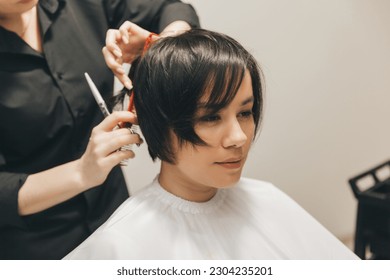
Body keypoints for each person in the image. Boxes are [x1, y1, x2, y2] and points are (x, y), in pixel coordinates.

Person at [64, 29, 358, 259]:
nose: (239, 138)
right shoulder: (121, 246)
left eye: (244, 112)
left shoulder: (266, 198)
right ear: (156, 121)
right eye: (211, 117)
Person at [0, 0, 199, 260]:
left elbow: (172, 9)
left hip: (115, 216)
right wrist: (81, 173)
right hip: (39, 247)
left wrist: (162, 43)